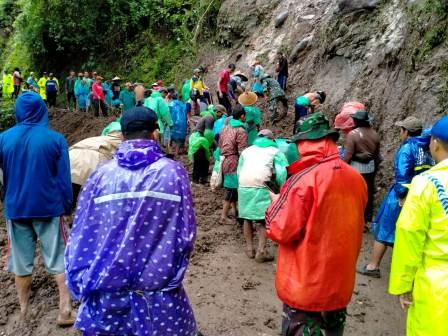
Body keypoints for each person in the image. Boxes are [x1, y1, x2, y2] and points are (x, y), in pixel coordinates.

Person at [65, 106, 198, 335]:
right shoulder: (173, 173)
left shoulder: (100, 176)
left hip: (107, 300)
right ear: (154, 134)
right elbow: (186, 235)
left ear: (123, 136)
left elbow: (81, 235)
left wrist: (81, 286)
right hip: (161, 300)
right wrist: (171, 278)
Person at [266, 112, 367, 336]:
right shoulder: (356, 179)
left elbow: (281, 230)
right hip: (339, 283)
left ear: (303, 143)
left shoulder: (302, 180)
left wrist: (275, 205)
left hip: (305, 286)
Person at [0, 92, 74, 325]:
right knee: (58, 257)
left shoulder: (3, 139)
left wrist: (7, 197)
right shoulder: (55, 139)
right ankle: (65, 310)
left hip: (17, 209)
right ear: (42, 110)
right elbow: (64, 179)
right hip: (49, 208)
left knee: (21, 263)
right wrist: (67, 206)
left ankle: (24, 311)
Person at [389, 116, 448, 336]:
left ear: (434, 143)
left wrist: (403, 284)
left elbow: (409, 233)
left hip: (436, 283)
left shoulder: (427, 184)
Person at [358, 116, 434, 278]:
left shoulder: (407, 149)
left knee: (384, 228)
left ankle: (373, 266)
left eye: (401, 130)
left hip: (403, 195)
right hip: (422, 194)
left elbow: (402, 174)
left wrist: (401, 194)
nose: (400, 133)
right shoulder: (428, 147)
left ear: (406, 132)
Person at [238, 129, 288, 262]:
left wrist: (242, 184)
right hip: (262, 184)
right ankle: (261, 251)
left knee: (246, 218)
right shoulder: (275, 152)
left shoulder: (247, 151)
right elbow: (283, 172)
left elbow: (239, 170)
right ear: (272, 140)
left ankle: (249, 249)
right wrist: (279, 187)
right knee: (262, 220)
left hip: (244, 184)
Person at [344, 111, 380, 225]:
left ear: (356, 121)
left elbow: (348, 155)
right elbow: (376, 155)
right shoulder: (375, 134)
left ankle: (355, 219)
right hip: (370, 168)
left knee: (355, 195)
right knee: (368, 193)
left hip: (356, 169)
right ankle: (366, 218)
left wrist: (343, 167)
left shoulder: (353, 134)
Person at [69, 131, 122, 208]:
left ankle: (68, 213)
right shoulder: (123, 141)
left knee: (73, 186)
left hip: (71, 156)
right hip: (93, 158)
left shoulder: (100, 138)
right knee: (95, 191)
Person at [219, 105, 248, 222]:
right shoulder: (240, 130)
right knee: (231, 189)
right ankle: (223, 216)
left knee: (232, 187)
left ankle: (235, 211)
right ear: (242, 116)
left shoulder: (225, 127)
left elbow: (220, 143)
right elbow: (242, 151)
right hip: (233, 161)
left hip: (224, 159)